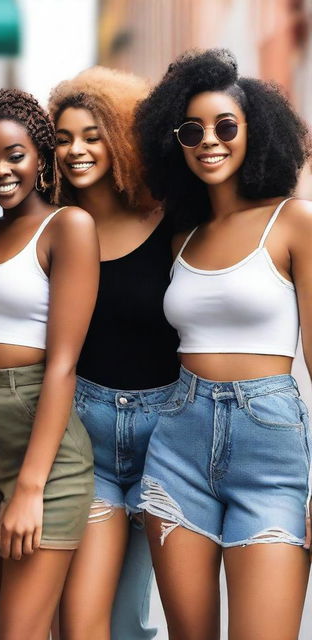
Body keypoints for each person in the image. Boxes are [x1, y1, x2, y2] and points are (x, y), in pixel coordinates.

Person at [135, 48, 312, 640]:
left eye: (225, 126)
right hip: (178, 440)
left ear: (255, 132)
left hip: (271, 447)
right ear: (175, 144)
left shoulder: (294, 222)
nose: (208, 140)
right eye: (192, 130)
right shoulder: (181, 236)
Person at [0, 88, 98, 640]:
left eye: (14, 155)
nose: (0, 170)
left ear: (40, 157)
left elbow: (62, 366)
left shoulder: (68, 227)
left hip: (46, 459)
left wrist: (32, 488)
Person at [48, 66, 179, 640]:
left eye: (92, 135)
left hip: (169, 438)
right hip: (87, 437)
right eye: (64, 137)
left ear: (121, 138)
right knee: (82, 622)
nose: (76, 150)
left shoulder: (172, 223)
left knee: (132, 618)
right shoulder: (52, 230)